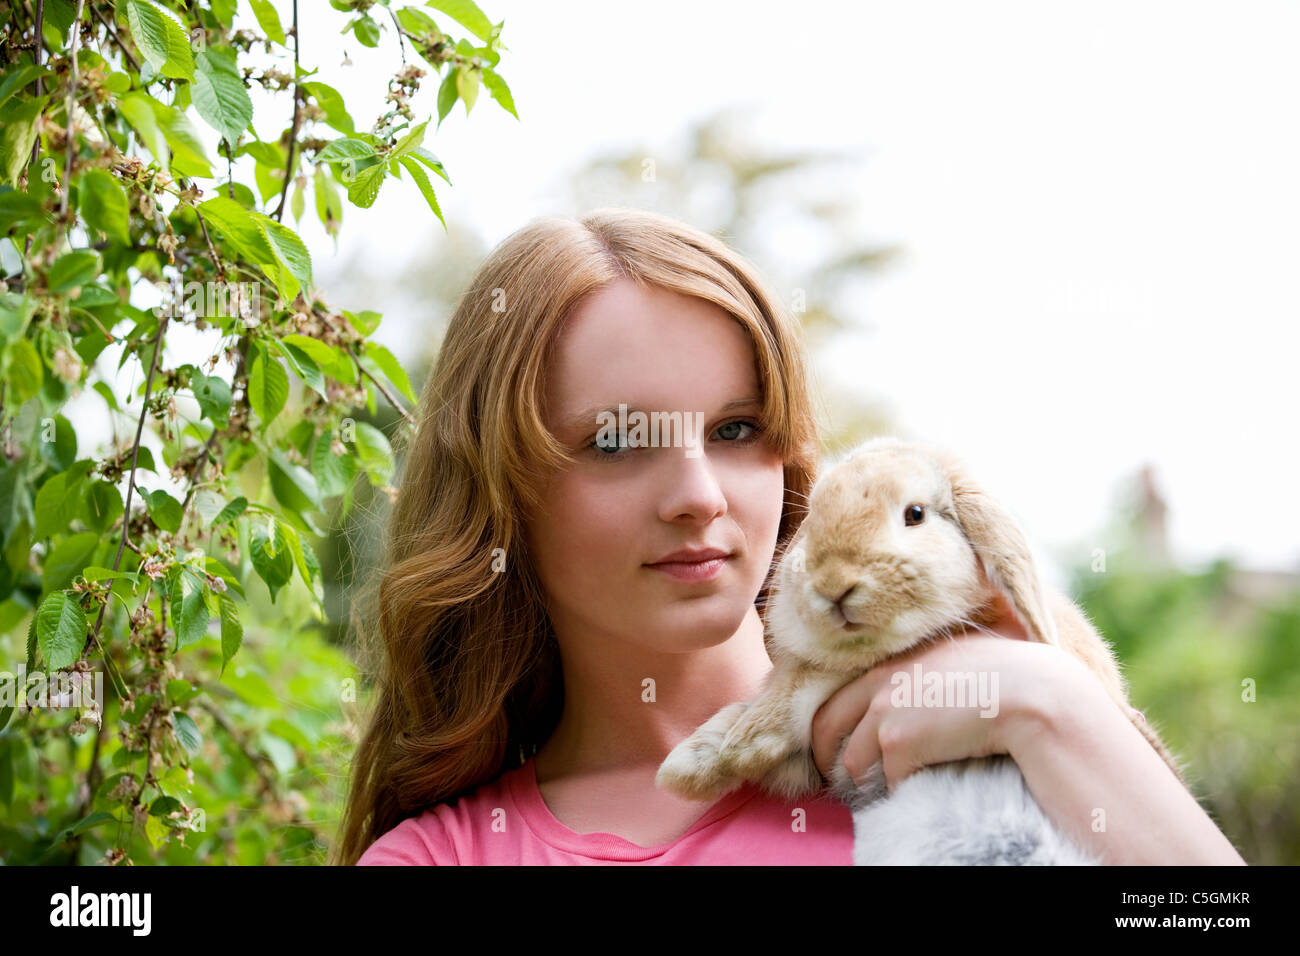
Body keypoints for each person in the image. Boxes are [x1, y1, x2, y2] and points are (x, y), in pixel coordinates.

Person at [334, 207, 1245, 866]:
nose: (696, 494)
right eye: (615, 441)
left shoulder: (997, 729)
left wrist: (1050, 704)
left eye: (735, 430)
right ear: (502, 491)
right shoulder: (447, 856)